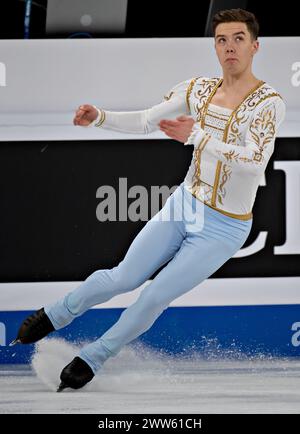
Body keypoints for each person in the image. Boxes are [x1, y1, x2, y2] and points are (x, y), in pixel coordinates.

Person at [11, 8, 285, 392]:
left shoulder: (269, 103)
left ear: (255, 46)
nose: (229, 48)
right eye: (222, 40)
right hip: (184, 205)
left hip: (224, 227)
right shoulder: (198, 90)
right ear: (214, 46)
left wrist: (199, 136)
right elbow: (146, 120)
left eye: (238, 39)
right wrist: (99, 117)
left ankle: (94, 356)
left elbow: (255, 163)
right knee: (122, 276)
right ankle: (55, 313)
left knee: (153, 296)